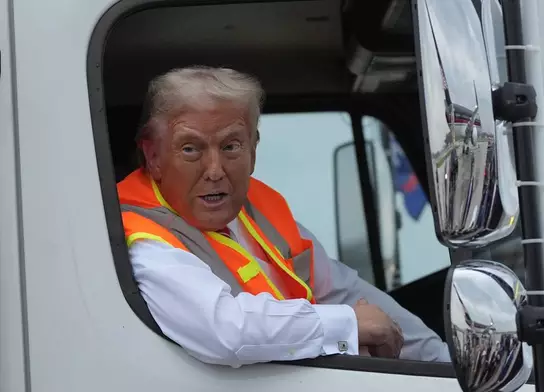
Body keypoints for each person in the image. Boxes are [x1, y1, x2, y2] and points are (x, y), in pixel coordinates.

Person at [117, 65, 451, 368]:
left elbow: (344, 291)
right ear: (154, 156)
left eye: (231, 146)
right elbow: (225, 331)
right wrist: (346, 324)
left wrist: (444, 366)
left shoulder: (258, 210)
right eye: (191, 149)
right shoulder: (141, 236)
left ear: (254, 149)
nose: (215, 171)